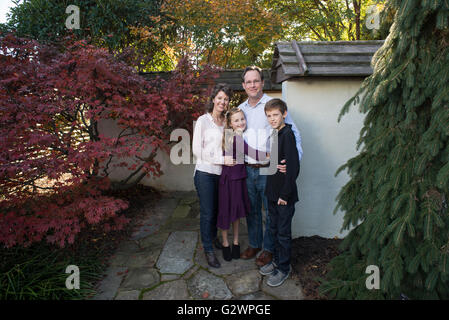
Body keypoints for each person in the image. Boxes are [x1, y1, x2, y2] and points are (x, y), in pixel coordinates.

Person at [238, 66, 303, 267]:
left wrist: (292, 162)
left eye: (256, 80)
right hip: (248, 169)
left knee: (270, 212)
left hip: (270, 169)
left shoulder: (273, 106)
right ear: (243, 85)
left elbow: (294, 134)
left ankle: (268, 249)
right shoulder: (241, 110)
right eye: (248, 82)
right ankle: (255, 244)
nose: (252, 85)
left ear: (262, 83)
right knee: (252, 210)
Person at [217, 107, 269, 262]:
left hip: (240, 179)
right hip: (228, 180)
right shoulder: (231, 136)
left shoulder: (240, 135)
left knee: (237, 212)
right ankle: (226, 243)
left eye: (242, 119)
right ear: (230, 123)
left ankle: (236, 242)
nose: (240, 122)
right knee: (226, 212)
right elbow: (250, 152)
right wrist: (269, 155)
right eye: (236, 120)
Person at [192, 83, 235, 268]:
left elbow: (232, 148)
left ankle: (213, 237)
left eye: (225, 99)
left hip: (222, 174)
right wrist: (220, 159)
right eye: (219, 98)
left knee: (217, 211)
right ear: (213, 99)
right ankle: (208, 249)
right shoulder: (203, 120)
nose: (222, 102)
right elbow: (196, 150)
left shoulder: (227, 122)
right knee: (208, 212)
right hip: (205, 173)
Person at [259, 98, 300, 287]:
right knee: (273, 229)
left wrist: (284, 194)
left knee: (283, 233)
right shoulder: (274, 134)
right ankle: (275, 261)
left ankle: (284, 268)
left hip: (284, 196)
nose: (272, 119)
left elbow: (293, 168)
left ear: (284, 114)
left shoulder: (288, 135)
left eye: (276, 115)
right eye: (269, 116)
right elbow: (274, 161)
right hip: (272, 192)